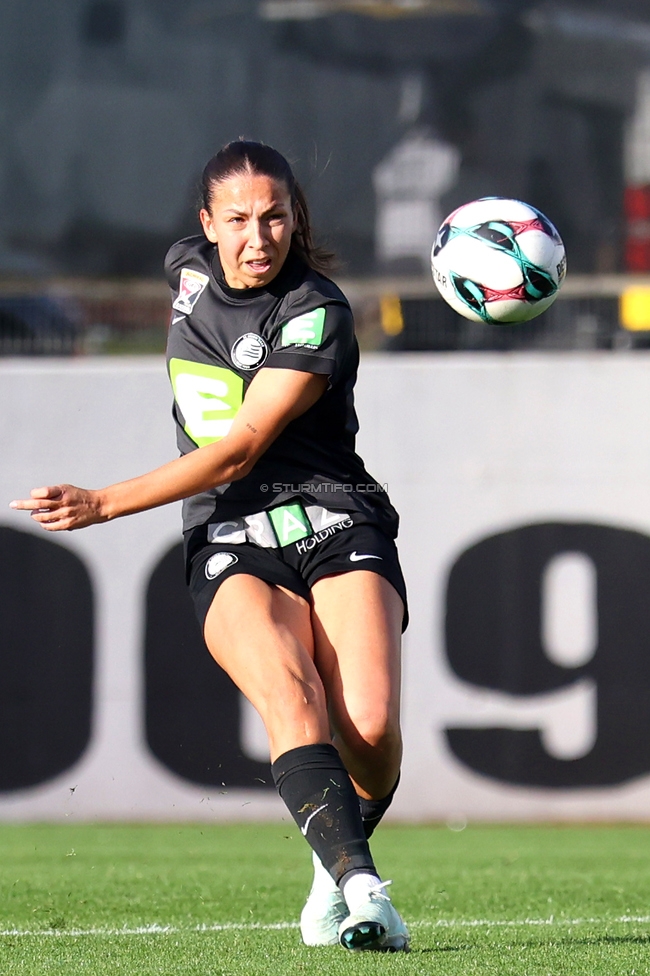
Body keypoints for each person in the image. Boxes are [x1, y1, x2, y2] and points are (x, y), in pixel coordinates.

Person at [10, 140, 410, 953]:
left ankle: (331, 854)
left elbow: (238, 448)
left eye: (275, 217)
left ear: (297, 218)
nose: (257, 238)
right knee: (291, 694)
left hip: (336, 515)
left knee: (367, 728)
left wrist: (104, 502)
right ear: (206, 224)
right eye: (238, 220)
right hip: (229, 532)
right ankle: (364, 890)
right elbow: (224, 477)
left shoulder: (316, 308)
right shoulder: (186, 268)